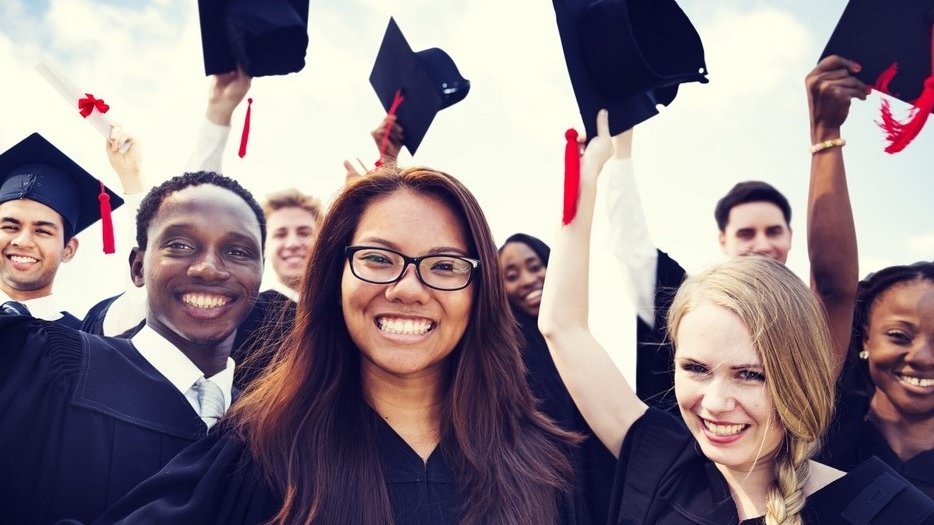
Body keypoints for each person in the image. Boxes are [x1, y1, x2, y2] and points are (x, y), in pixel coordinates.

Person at [88, 165, 581, 525]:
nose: (409, 288)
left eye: (445, 265)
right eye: (377, 258)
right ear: (334, 280)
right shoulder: (261, 451)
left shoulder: (546, 463)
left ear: (481, 293)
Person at [539, 110, 934, 524]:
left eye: (750, 374)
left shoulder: (889, 512)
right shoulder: (663, 464)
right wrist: (587, 177)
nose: (714, 403)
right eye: (695, 368)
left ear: (801, 376)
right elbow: (562, 327)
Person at [0, 171, 265, 525]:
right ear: (138, 268)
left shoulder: (272, 426)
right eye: (180, 245)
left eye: (238, 251)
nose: (209, 269)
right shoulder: (46, 370)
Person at [609, 55, 864, 406]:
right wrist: (616, 145)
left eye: (773, 231)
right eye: (746, 234)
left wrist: (826, 134)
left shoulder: (809, 326)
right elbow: (628, 249)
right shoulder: (687, 306)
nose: (761, 244)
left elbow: (834, 287)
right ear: (723, 241)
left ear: (791, 237)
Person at [499, 233, 616, 525]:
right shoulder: (507, 355)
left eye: (535, 266)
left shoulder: (577, 338)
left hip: (601, 480)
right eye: (511, 275)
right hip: (548, 489)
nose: (527, 280)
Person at [819, 261, 934, 498]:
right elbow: (833, 287)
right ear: (866, 338)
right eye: (899, 336)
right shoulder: (822, 438)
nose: (923, 359)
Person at [0, 132, 130, 326]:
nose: (22, 241)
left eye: (42, 231)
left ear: (68, 249)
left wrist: (132, 177)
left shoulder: (86, 343)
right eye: (10, 226)